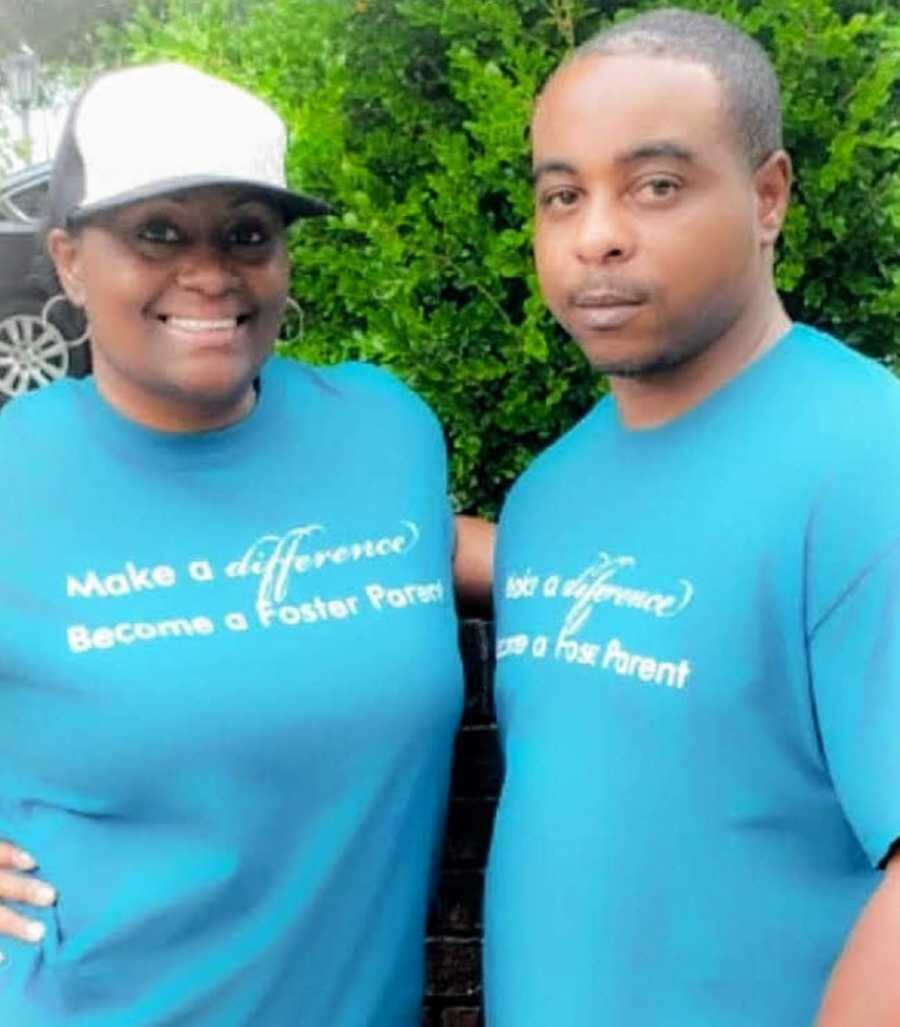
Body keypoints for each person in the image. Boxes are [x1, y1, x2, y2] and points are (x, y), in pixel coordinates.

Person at [0, 61, 487, 1026]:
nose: (211, 271)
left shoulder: (382, 431)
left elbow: (411, 555)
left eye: (247, 234)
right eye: (158, 232)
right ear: (67, 260)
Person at [485, 8, 900, 1027]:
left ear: (768, 197)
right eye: (562, 194)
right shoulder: (550, 490)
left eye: (656, 186)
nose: (598, 234)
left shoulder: (865, 460)